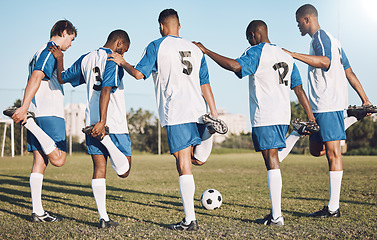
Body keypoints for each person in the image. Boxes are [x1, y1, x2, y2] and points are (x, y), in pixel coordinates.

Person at [108, 9, 226, 231]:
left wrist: (122, 61)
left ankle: (190, 220)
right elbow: (205, 84)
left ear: (161, 26)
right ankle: (209, 130)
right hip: (200, 110)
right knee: (197, 160)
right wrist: (214, 112)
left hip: (177, 111)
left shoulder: (157, 45)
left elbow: (139, 74)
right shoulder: (195, 49)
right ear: (179, 25)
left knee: (183, 164)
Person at [193, 20, 317, 226]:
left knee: (271, 161)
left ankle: (277, 216)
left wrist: (206, 51)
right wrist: (310, 117)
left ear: (253, 35)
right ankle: (296, 133)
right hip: (282, 115)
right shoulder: (286, 55)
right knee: (273, 158)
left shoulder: (257, 52)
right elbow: (299, 89)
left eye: (248, 39)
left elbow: (234, 66)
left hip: (265, 115)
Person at [283, 4, 372, 217]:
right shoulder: (335, 42)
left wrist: (293, 54)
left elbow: (325, 62)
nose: (298, 26)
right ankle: (350, 116)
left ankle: (333, 208)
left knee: (333, 153)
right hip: (321, 107)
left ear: (307, 19)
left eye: (298, 22)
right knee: (316, 150)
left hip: (329, 104)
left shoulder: (320, 38)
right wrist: (365, 99)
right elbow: (349, 72)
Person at [49, 30, 132, 228]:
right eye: (125, 50)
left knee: (99, 168)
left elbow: (62, 78)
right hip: (112, 123)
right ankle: (107, 141)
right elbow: (106, 88)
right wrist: (103, 121)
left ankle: (103, 218)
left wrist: (60, 58)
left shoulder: (86, 58)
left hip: (90, 122)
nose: (124, 55)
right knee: (125, 171)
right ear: (119, 43)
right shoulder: (112, 59)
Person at [2, 20, 77, 222]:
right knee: (59, 159)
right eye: (71, 39)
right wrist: (24, 108)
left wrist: (27, 107)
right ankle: (29, 123)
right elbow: (36, 76)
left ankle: (37, 212)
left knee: (39, 162)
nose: (71, 44)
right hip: (48, 112)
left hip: (37, 110)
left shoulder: (38, 51)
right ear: (63, 32)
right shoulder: (49, 50)